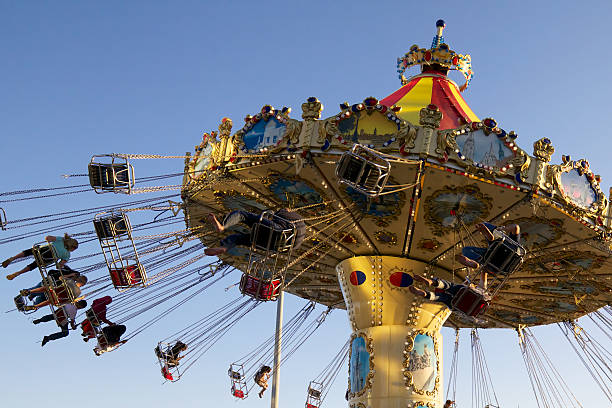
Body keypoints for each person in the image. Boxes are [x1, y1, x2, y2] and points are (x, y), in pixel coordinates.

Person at [204, 209, 305, 256]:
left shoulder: (287, 213)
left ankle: (222, 226)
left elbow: (271, 215)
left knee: (241, 214)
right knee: (239, 239)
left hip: (278, 231)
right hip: (276, 246)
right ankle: (223, 247)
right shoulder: (299, 224)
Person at [3, 234, 79, 280]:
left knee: (29, 252)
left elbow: (47, 238)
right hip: (46, 259)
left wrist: (50, 241)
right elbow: (58, 266)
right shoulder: (67, 255)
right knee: (34, 265)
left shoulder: (61, 240)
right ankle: (18, 273)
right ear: (72, 247)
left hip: (42, 250)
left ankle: (13, 258)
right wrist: (62, 267)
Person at [455, 222, 520, 271]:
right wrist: (503, 229)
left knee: (465, 250)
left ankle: (478, 261)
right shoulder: (513, 240)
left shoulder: (511, 240)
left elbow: (515, 227)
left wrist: (501, 228)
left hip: (498, 258)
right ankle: (479, 261)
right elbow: (515, 227)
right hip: (503, 262)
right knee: (465, 250)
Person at [409, 274, 488, 311]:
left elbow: (483, 277)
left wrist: (484, 270)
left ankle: (432, 282)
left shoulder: (482, 293)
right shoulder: (478, 310)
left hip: (463, 293)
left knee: (450, 286)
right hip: (457, 306)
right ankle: (425, 294)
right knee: (442, 298)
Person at [19, 275, 87, 311]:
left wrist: (71, 277)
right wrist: (80, 298)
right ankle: (36, 306)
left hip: (54, 291)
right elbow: (72, 300)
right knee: (50, 301)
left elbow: (60, 278)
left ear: (78, 279)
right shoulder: (79, 292)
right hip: (58, 300)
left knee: (47, 288)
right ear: (83, 285)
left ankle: (29, 291)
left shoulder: (70, 281)